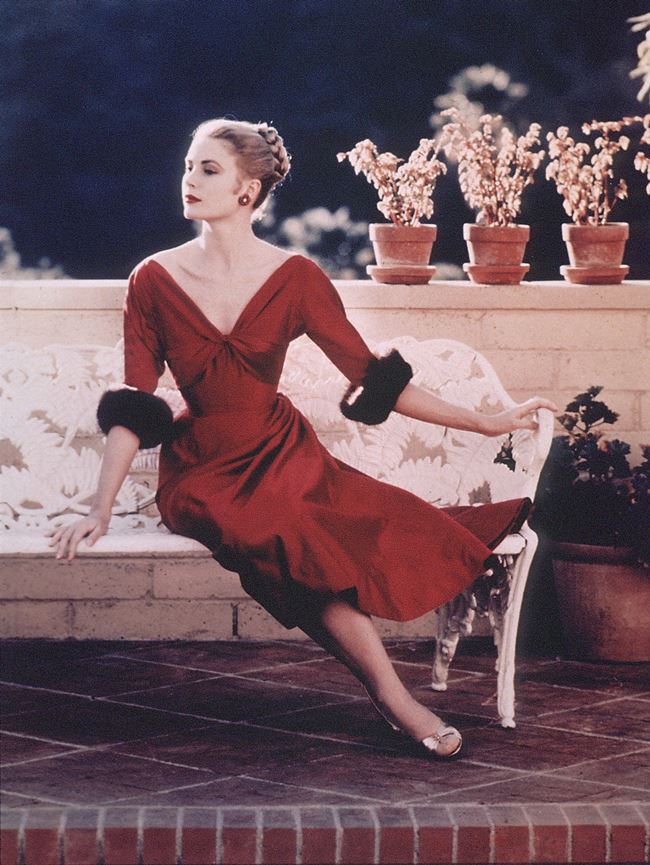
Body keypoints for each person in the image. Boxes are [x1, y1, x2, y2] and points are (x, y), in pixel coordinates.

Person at [49, 118, 557, 759]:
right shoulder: (152, 279)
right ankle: (394, 697)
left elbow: (373, 379)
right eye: (188, 166)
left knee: (331, 529)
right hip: (201, 470)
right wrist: (99, 508)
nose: (189, 179)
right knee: (292, 534)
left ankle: (389, 697)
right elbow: (136, 404)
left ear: (248, 191)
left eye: (208, 169)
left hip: (282, 453)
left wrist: (486, 420)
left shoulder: (296, 277)